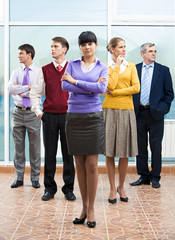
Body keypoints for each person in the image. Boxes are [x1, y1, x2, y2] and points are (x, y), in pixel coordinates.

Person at [62, 31, 108, 228]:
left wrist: (76, 82)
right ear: (79, 47)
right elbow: (64, 86)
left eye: (90, 44)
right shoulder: (71, 64)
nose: (87, 47)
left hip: (94, 118)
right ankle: (84, 206)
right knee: (79, 165)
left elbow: (102, 89)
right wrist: (88, 86)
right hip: (74, 117)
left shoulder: (103, 67)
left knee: (92, 165)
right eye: (83, 44)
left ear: (95, 45)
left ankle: (91, 210)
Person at [30, 37, 76, 201]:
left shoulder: (73, 68)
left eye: (55, 46)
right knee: (49, 154)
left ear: (64, 49)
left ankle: (68, 189)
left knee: (68, 154)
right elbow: (35, 93)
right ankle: (49, 189)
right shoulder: (44, 70)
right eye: (51, 46)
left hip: (68, 117)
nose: (52, 49)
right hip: (49, 117)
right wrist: (39, 112)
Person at [130, 43, 174, 188]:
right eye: (150, 51)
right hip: (138, 113)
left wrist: (162, 109)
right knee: (140, 147)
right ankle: (143, 176)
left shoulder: (163, 70)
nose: (153, 54)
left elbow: (169, 94)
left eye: (155, 51)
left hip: (155, 114)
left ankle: (155, 177)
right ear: (143, 54)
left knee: (156, 147)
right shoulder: (134, 69)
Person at [102, 37, 140, 203]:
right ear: (112, 49)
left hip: (127, 111)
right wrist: (116, 67)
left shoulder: (131, 66)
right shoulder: (105, 67)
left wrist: (117, 92)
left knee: (124, 153)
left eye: (125, 47)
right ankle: (112, 188)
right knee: (109, 152)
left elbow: (136, 87)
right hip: (109, 110)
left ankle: (121, 187)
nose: (124, 50)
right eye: (121, 47)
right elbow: (109, 86)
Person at [8, 44, 41, 189]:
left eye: (21, 53)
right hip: (17, 113)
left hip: (32, 112)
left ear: (29, 54)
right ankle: (19, 178)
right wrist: (28, 88)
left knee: (35, 148)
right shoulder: (16, 72)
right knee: (18, 147)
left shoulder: (39, 72)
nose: (18, 56)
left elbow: (39, 91)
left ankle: (35, 178)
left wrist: (20, 89)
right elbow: (10, 89)